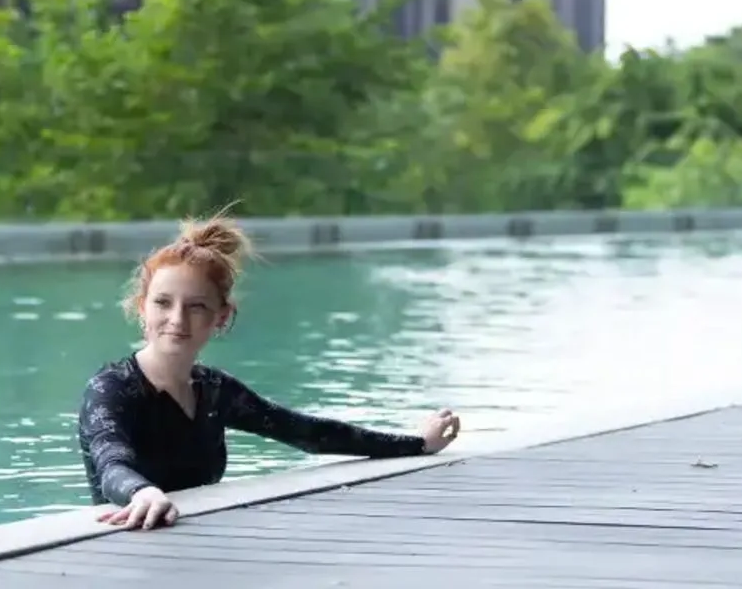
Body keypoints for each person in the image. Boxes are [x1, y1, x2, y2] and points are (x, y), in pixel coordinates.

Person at [76, 210, 461, 531]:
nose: (177, 319)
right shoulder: (111, 389)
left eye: (196, 306)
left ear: (220, 317)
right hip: (129, 547)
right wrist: (142, 492)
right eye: (163, 303)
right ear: (142, 308)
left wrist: (417, 444)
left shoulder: (215, 391)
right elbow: (111, 461)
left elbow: (309, 433)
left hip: (202, 542)